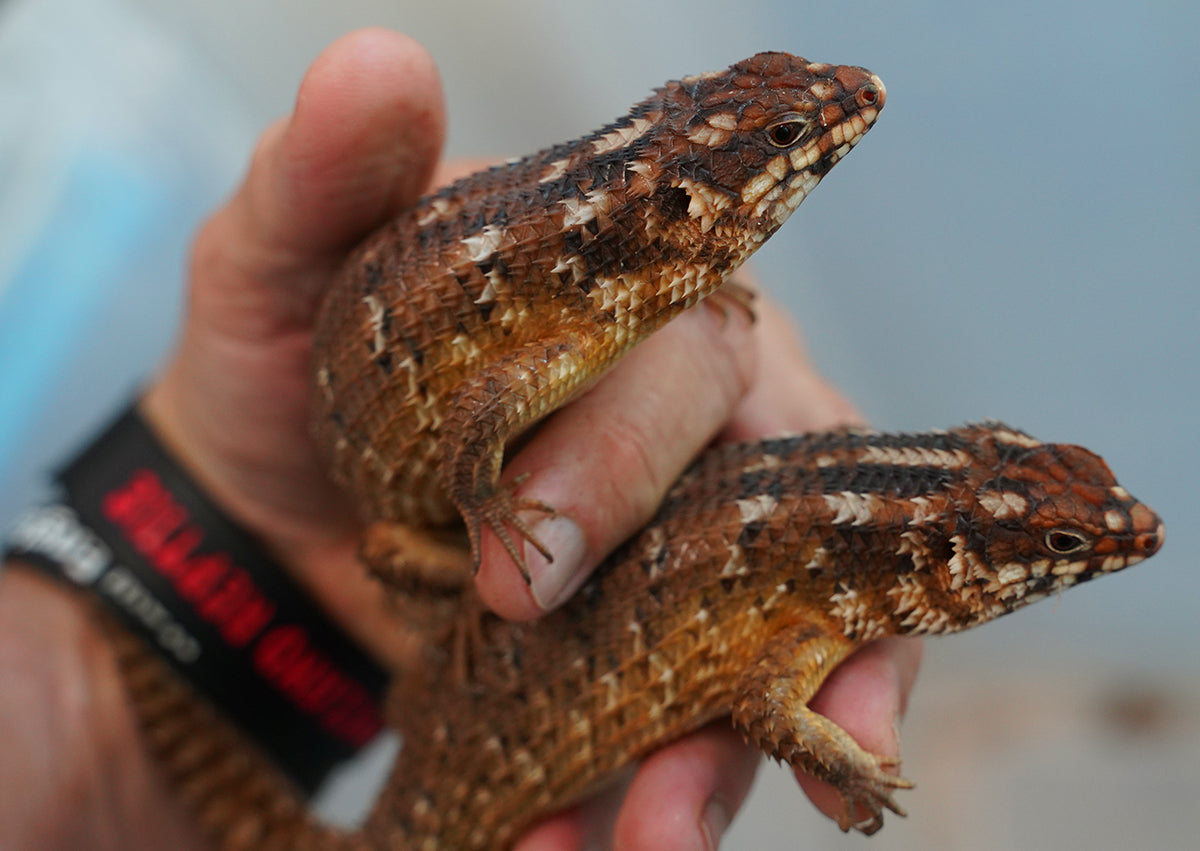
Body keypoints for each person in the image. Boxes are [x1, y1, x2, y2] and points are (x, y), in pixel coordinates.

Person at [0, 29, 921, 850]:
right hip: (392, 521)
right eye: (786, 136)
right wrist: (487, 504)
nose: (852, 100)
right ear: (687, 199)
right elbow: (487, 402)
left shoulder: (628, 275)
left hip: (327, 584)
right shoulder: (588, 308)